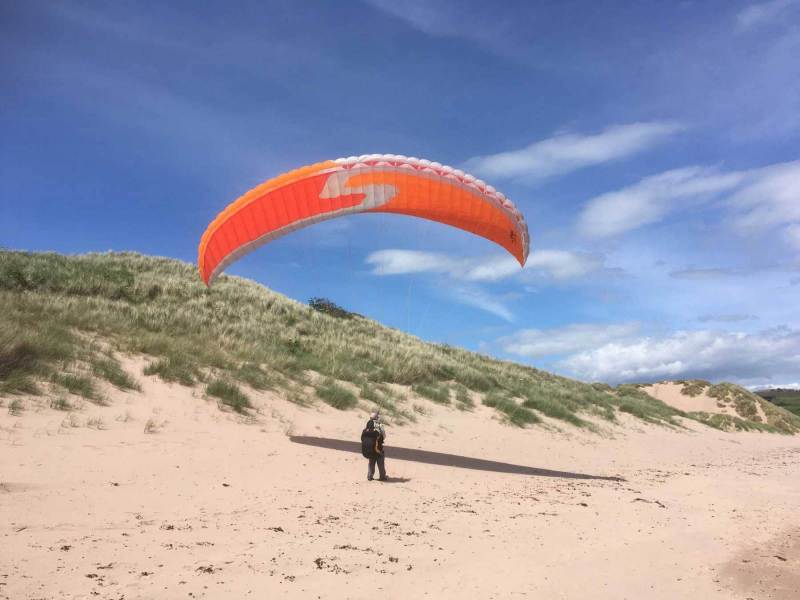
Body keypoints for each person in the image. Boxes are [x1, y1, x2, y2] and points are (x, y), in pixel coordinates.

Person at [361, 410, 387, 481]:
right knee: (380, 462)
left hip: (370, 448)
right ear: (377, 417)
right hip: (378, 448)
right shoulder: (379, 425)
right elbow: (384, 436)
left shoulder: (367, 426)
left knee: (371, 463)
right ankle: (382, 476)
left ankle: (370, 476)